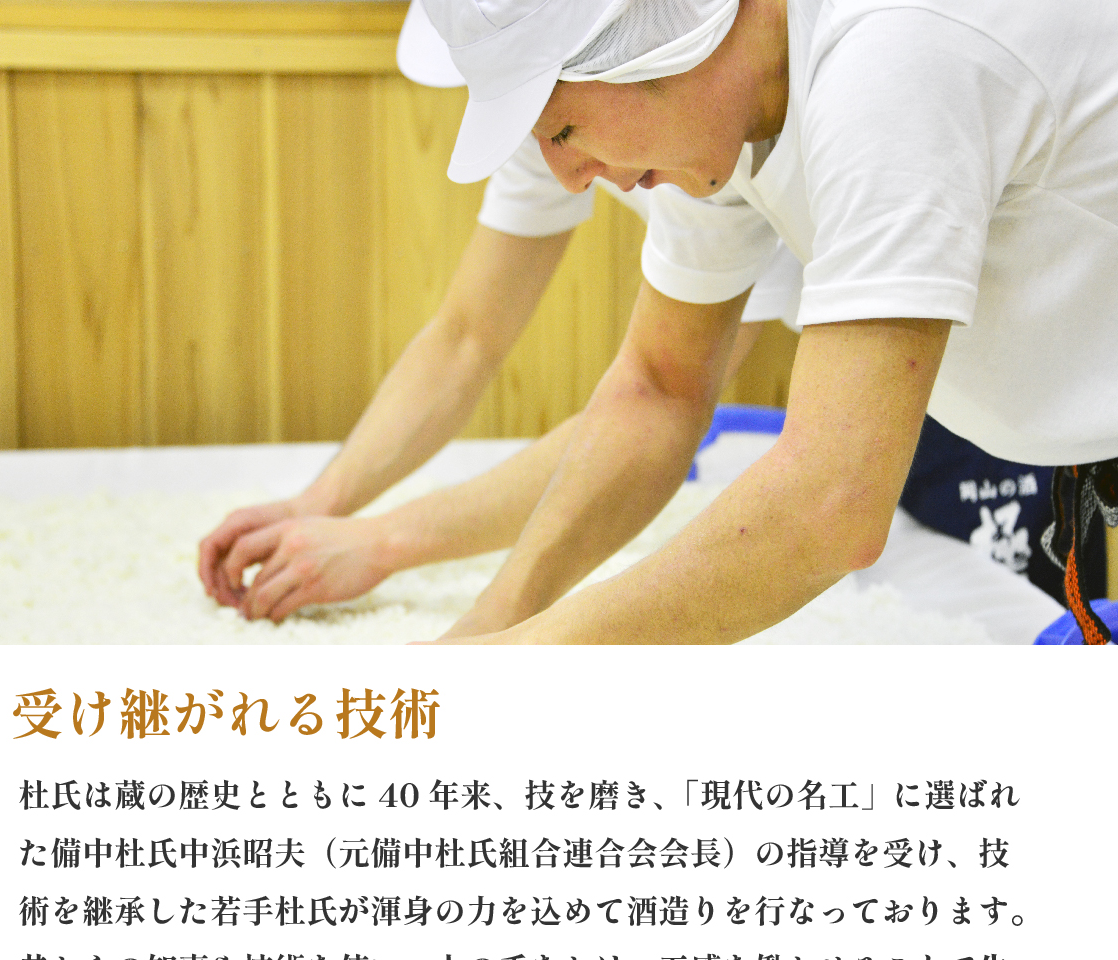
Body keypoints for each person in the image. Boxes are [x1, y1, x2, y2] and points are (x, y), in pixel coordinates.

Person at [412, 0, 1117, 644]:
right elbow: (658, 390)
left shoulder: (893, 55)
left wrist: (529, 656)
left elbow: (830, 500)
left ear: (651, 44)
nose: (567, 176)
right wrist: (489, 629)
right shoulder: (716, 115)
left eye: (564, 129)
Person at [197, 1, 799, 623]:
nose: (565, 171)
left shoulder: (695, 122)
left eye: (560, 130)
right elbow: (468, 336)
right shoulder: (559, 111)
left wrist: (384, 541)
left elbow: (660, 403)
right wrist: (319, 507)